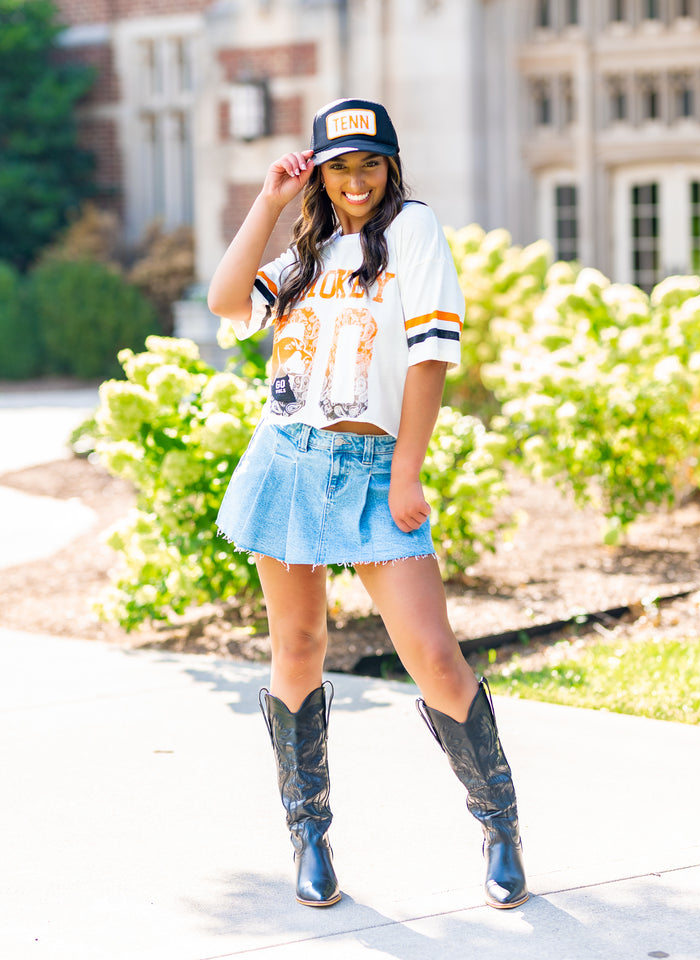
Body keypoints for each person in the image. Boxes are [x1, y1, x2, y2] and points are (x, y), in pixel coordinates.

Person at [207, 98, 528, 911]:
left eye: (370, 164)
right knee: (300, 646)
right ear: (320, 171)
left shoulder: (412, 230)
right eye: (339, 166)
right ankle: (309, 835)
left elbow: (430, 361)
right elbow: (225, 302)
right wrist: (269, 201)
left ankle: (499, 825)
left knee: (432, 654)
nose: (356, 181)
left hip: (377, 465)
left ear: (390, 166)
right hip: (288, 458)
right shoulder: (307, 251)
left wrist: (407, 473)